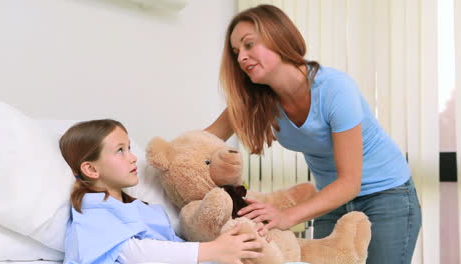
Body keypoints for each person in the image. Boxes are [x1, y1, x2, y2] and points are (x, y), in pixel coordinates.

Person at [204, 4, 421, 264]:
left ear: (279, 37)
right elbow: (202, 142)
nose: (241, 58)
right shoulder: (257, 101)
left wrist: (286, 216)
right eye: (237, 52)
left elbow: (350, 181)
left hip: (387, 195)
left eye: (249, 44)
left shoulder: (334, 90)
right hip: (332, 198)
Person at [59, 119, 263, 264]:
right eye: (120, 150)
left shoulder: (142, 209)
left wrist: (237, 241)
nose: (132, 157)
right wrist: (213, 250)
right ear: (91, 169)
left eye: (129, 148)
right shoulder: (90, 210)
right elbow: (134, 254)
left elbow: (175, 248)